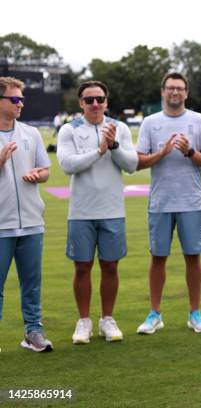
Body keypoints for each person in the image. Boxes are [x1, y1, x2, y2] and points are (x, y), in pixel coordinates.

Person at [57, 80, 138, 344]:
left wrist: (113, 146)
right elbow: (68, 165)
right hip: (81, 211)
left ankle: (107, 319)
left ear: (106, 101)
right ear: (80, 103)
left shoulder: (120, 128)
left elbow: (131, 164)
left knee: (110, 266)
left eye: (100, 99)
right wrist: (99, 151)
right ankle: (84, 322)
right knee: (82, 268)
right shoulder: (69, 130)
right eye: (89, 100)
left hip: (112, 209)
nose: (95, 104)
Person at [135, 72, 201, 335]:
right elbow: (139, 161)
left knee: (193, 258)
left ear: (186, 93)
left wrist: (190, 152)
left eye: (180, 89)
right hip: (160, 202)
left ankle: (195, 313)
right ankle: (155, 313)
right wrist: (162, 152)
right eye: (170, 88)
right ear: (162, 92)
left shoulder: (198, 120)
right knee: (158, 257)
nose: (175, 93)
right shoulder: (150, 122)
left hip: (191, 201)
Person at [0, 77, 53, 352]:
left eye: (22, 99)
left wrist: (38, 175)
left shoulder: (31, 134)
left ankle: (33, 332)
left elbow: (46, 170)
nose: (20, 103)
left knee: (31, 285)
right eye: (15, 99)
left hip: (32, 222)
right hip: (1, 225)